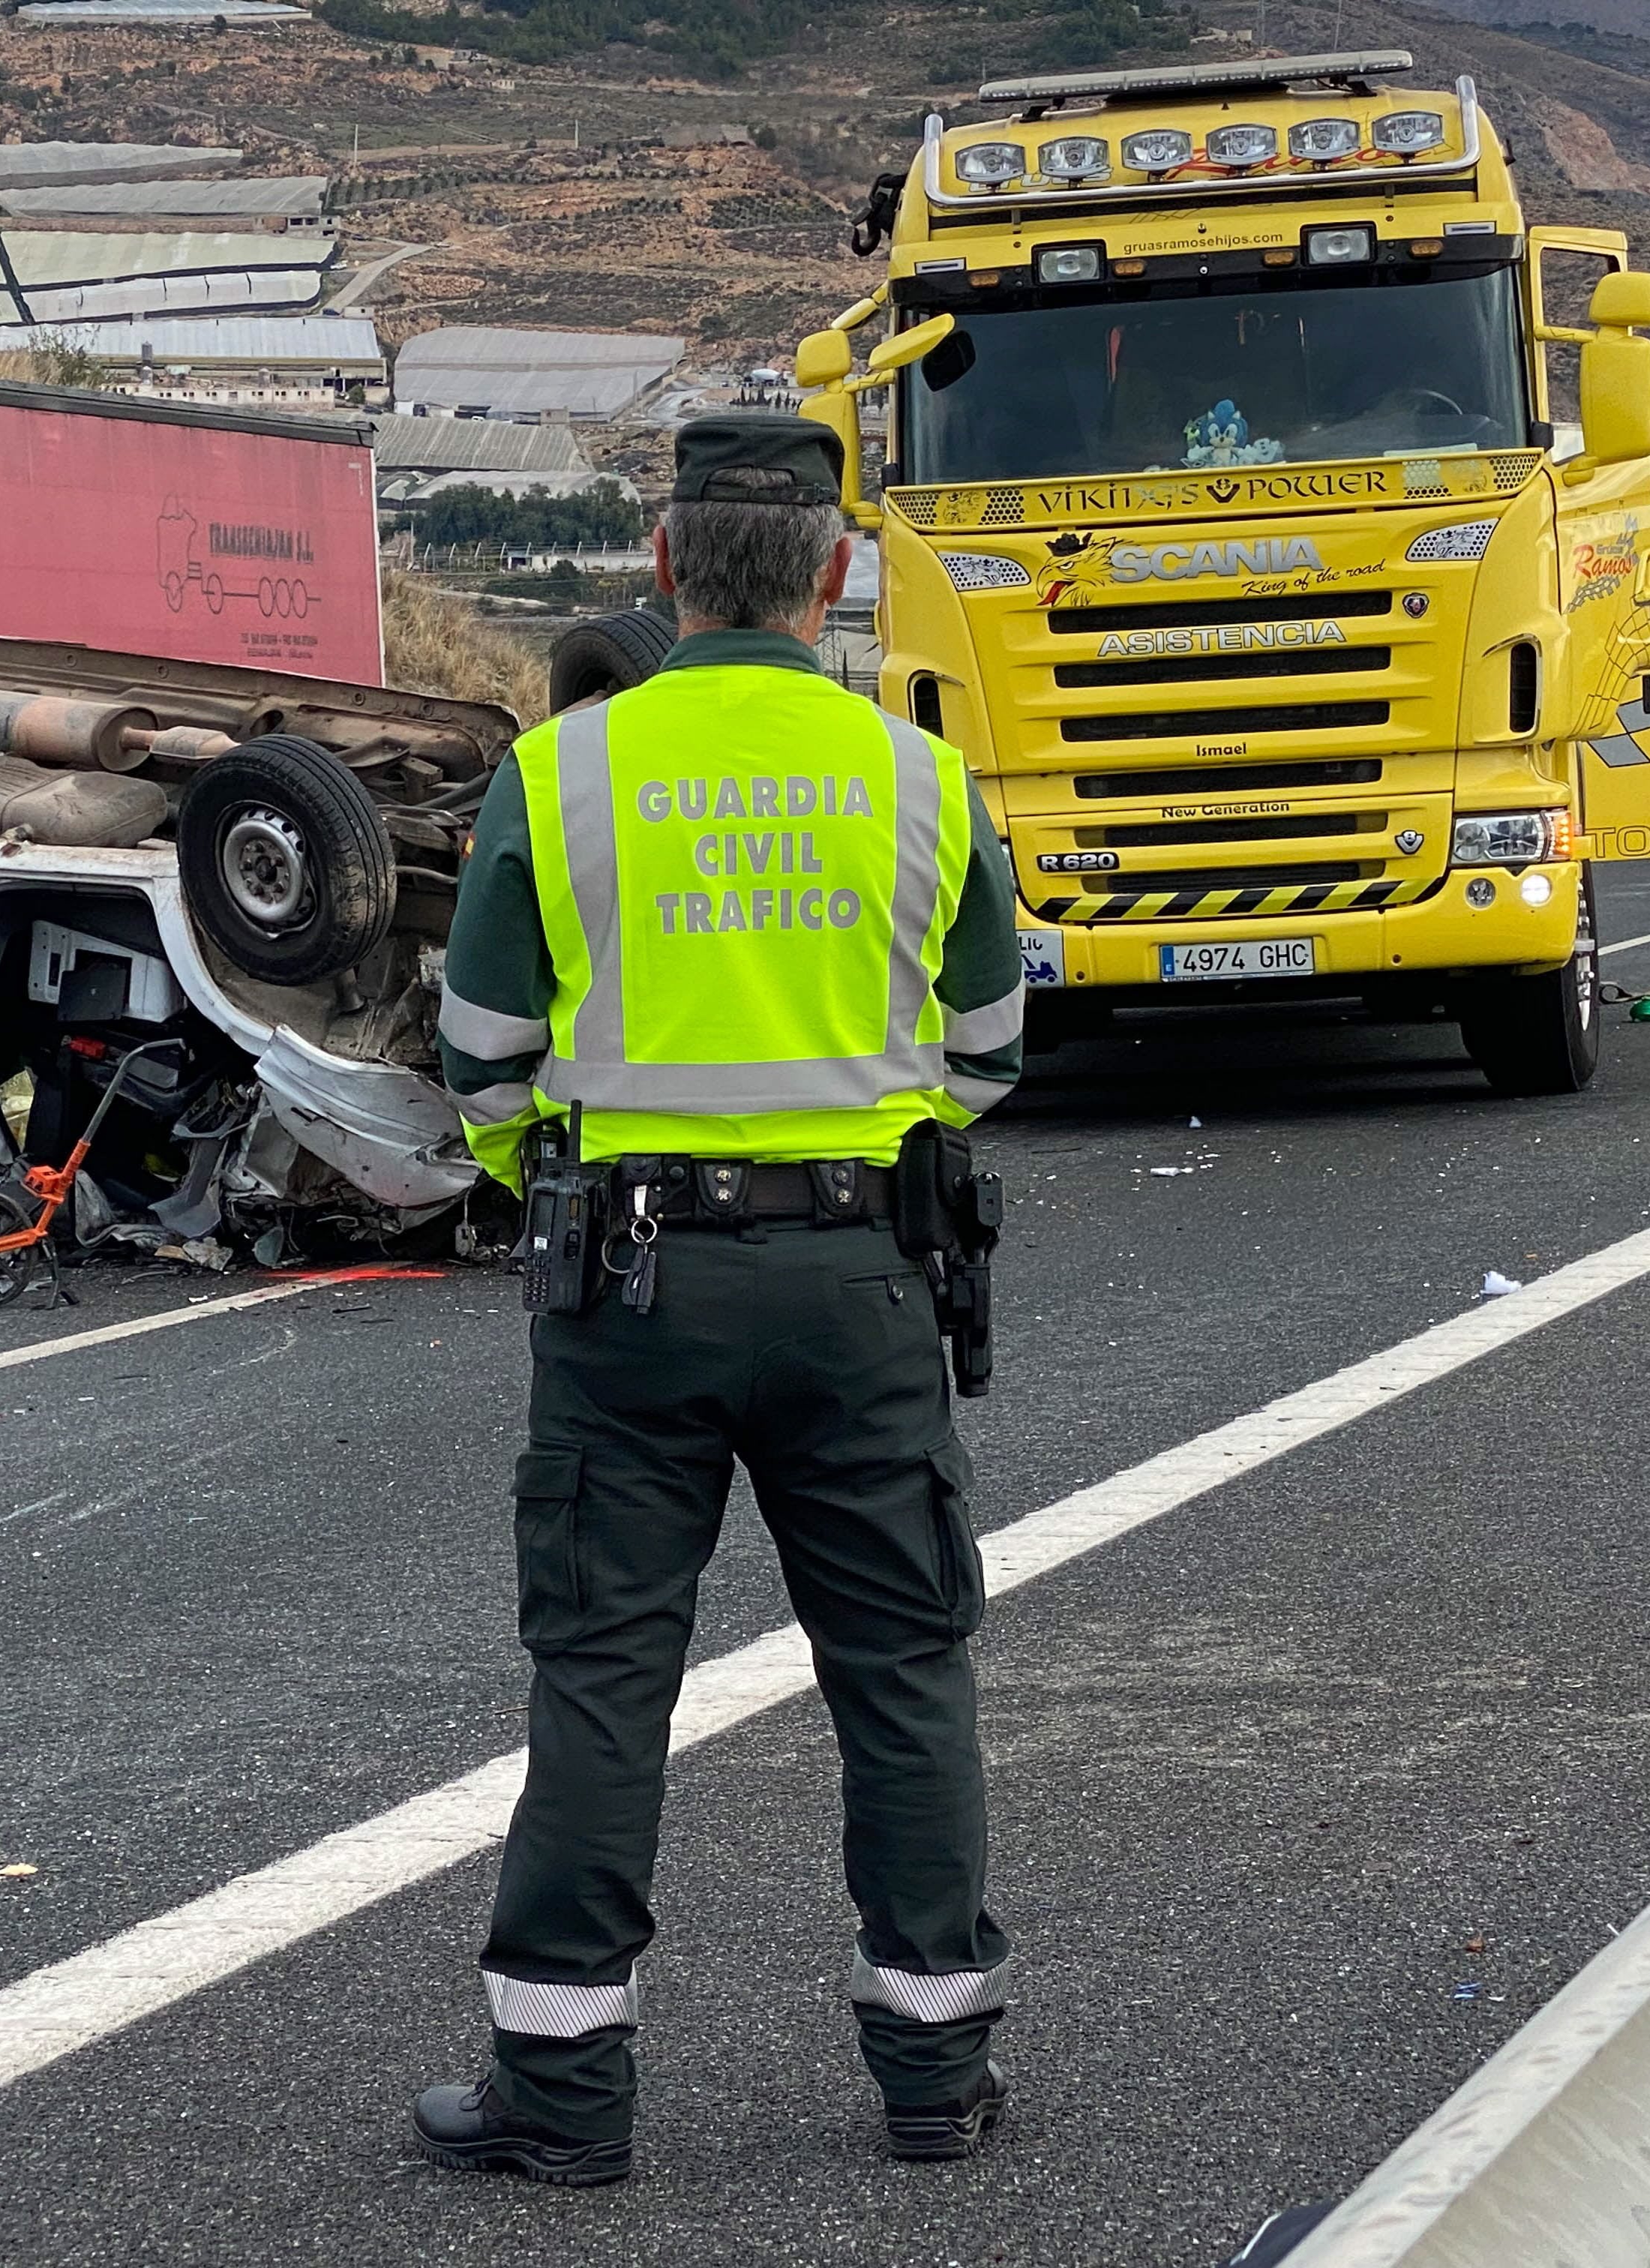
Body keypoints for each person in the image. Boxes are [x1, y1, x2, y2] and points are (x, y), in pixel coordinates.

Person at [418, 414, 1028, 2188]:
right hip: (861, 1282)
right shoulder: (916, 777)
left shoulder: (562, 772)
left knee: (606, 1673)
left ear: (667, 563)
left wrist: (579, 1165)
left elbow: (480, 1057)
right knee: (901, 1666)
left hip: (629, 1281)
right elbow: (987, 1052)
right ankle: (933, 2071)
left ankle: (565, 2092)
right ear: (834, 573)